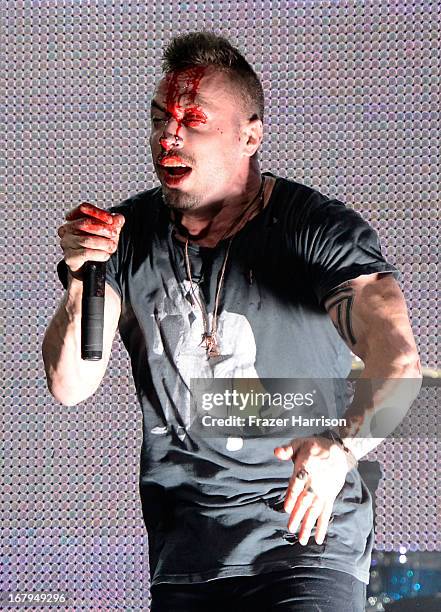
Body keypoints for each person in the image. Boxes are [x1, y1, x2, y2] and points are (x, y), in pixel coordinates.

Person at [42, 31, 422, 611]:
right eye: (159, 118)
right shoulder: (124, 237)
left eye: (193, 119)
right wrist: (82, 276)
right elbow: (71, 387)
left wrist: (341, 450)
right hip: (189, 546)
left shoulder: (317, 230)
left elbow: (401, 367)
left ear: (250, 136)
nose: (169, 135)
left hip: (304, 532)